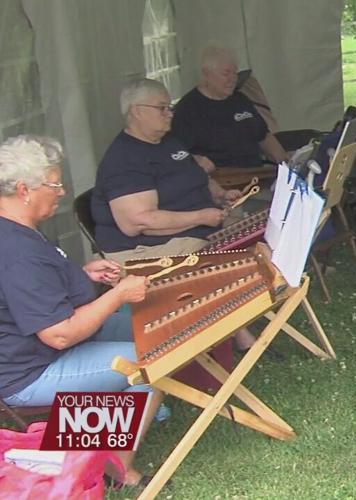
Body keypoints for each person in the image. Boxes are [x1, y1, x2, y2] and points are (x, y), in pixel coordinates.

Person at [0, 135, 161, 487]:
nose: (62, 192)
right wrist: (118, 295)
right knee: (153, 359)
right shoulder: (16, 251)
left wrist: (82, 276)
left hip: (41, 350)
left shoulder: (17, 230)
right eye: (54, 184)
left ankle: (105, 431)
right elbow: (59, 334)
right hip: (31, 371)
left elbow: (36, 291)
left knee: (154, 327)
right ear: (24, 190)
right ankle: (117, 468)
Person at [91, 78, 257, 352]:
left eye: (170, 107)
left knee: (257, 228)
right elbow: (139, 222)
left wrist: (219, 194)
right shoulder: (124, 160)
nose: (170, 113)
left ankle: (247, 310)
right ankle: (240, 333)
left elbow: (195, 175)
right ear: (137, 111)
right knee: (215, 257)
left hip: (192, 228)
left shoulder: (168, 142)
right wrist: (200, 217)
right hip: (145, 249)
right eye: (162, 108)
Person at [170, 44, 288, 173]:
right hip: (222, 178)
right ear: (206, 74)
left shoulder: (240, 99)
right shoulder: (187, 110)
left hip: (257, 173)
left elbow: (264, 136)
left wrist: (286, 164)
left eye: (234, 73)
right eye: (226, 73)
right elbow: (177, 155)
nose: (232, 79)